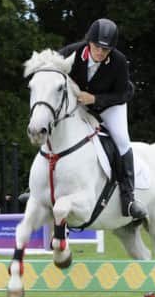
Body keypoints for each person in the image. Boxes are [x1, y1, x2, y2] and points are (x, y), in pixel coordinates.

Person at [58, 18, 147, 219]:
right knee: (52, 128)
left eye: (105, 50)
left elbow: (123, 94)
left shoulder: (119, 61)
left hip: (110, 105)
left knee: (122, 141)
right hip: (78, 103)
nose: (100, 52)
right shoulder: (70, 52)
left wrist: (95, 99)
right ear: (89, 42)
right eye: (97, 47)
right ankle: (36, 188)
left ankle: (129, 197)